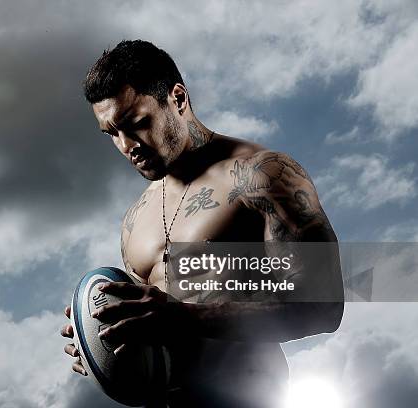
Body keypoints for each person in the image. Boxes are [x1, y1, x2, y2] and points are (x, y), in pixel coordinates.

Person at [60, 40, 344, 407]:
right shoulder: (135, 219)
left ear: (177, 99)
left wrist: (183, 316)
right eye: (111, 133)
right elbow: (148, 336)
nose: (127, 145)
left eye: (137, 123)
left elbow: (323, 308)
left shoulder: (261, 175)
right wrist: (99, 342)